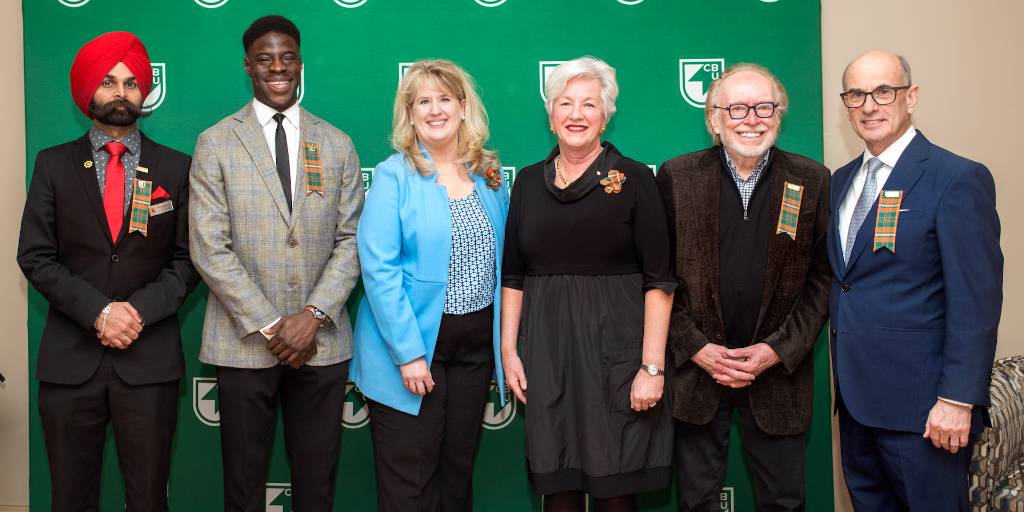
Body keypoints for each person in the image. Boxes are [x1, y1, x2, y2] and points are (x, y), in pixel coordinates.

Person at [17, 31, 199, 512]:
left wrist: (134, 313)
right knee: (71, 498)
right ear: (87, 94)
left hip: (150, 361)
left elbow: (188, 262)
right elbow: (35, 256)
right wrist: (99, 312)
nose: (121, 93)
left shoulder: (176, 168)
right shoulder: (52, 165)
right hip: (69, 363)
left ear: (144, 92)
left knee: (147, 499)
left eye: (131, 83)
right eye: (109, 82)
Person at [188, 15, 363, 512]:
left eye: (287, 57)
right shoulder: (216, 142)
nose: (278, 68)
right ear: (248, 66)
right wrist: (272, 326)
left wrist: (312, 317)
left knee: (317, 482)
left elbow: (352, 241)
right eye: (265, 59)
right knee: (243, 485)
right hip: (244, 343)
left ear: (300, 63)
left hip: (321, 341)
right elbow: (208, 247)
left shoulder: (337, 143)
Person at [501, 56, 676, 512]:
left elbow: (660, 281)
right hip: (548, 357)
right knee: (557, 485)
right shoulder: (525, 184)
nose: (576, 114)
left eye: (589, 104)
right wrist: (508, 351)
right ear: (551, 114)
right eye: (566, 103)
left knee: (615, 489)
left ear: (606, 114)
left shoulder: (637, 179)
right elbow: (513, 277)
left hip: (617, 360)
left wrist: (652, 368)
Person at [829, 50, 1002, 511]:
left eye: (884, 91)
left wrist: (958, 399)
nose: (870, 105)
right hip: (855, 407)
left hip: (925, 412)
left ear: (912, 96)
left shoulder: (956, 178)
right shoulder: (841, 182)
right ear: (845, 105)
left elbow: (976, 300)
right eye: (856, 94)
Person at [656, 63, 831, 512]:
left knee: (785, 502)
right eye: (737, 108)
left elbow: (822, 278)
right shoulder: (676, 178)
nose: (751, 118)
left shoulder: (812, 179)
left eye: (763, 107)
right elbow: (657, 278)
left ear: (779, 114)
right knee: (696, 501)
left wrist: (777, 350)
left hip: (778, 374)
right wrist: (695, 346)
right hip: (698, 372)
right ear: (714, 118)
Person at [351, 59, 508, 512]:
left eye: (445, 99)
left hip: (475, 351)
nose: (435, 110)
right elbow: (379, 269)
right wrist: (409, 353)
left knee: (456, 476)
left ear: (463, 107)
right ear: (410, 113)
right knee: (409, 484)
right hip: (412, 353)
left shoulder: (488, 173)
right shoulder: (393, 175)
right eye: (423, 101)